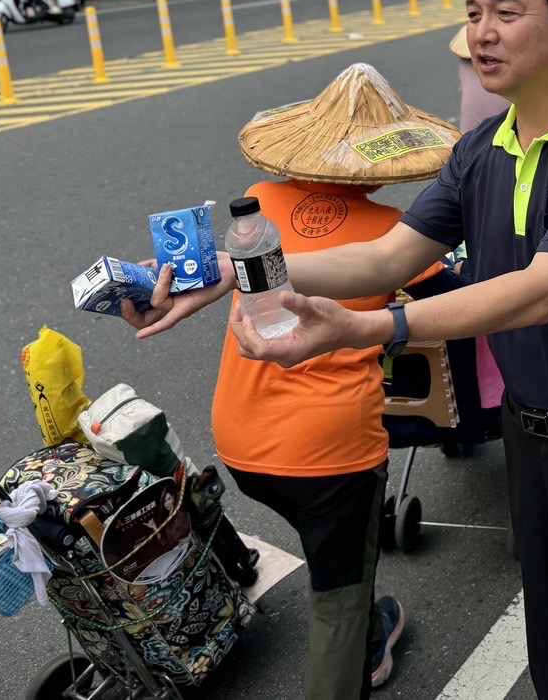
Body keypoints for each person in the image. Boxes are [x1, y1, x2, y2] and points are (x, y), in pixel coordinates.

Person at [123, 0, 548, 700]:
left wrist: (377, 326)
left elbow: (543, 287)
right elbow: (388, 258)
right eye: (472, 12)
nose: (481, 33)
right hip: (534, 432)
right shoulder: (480, 149)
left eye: (505, 11)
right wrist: (238, 270)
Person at [217, 65, 459, 696]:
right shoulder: (391, 231)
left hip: (241, 442)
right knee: (337, 597)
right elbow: (447, 297)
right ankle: (356, 652)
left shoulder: (258, 203)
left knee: (340, 545)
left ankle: (372, 620)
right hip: (330, 455)